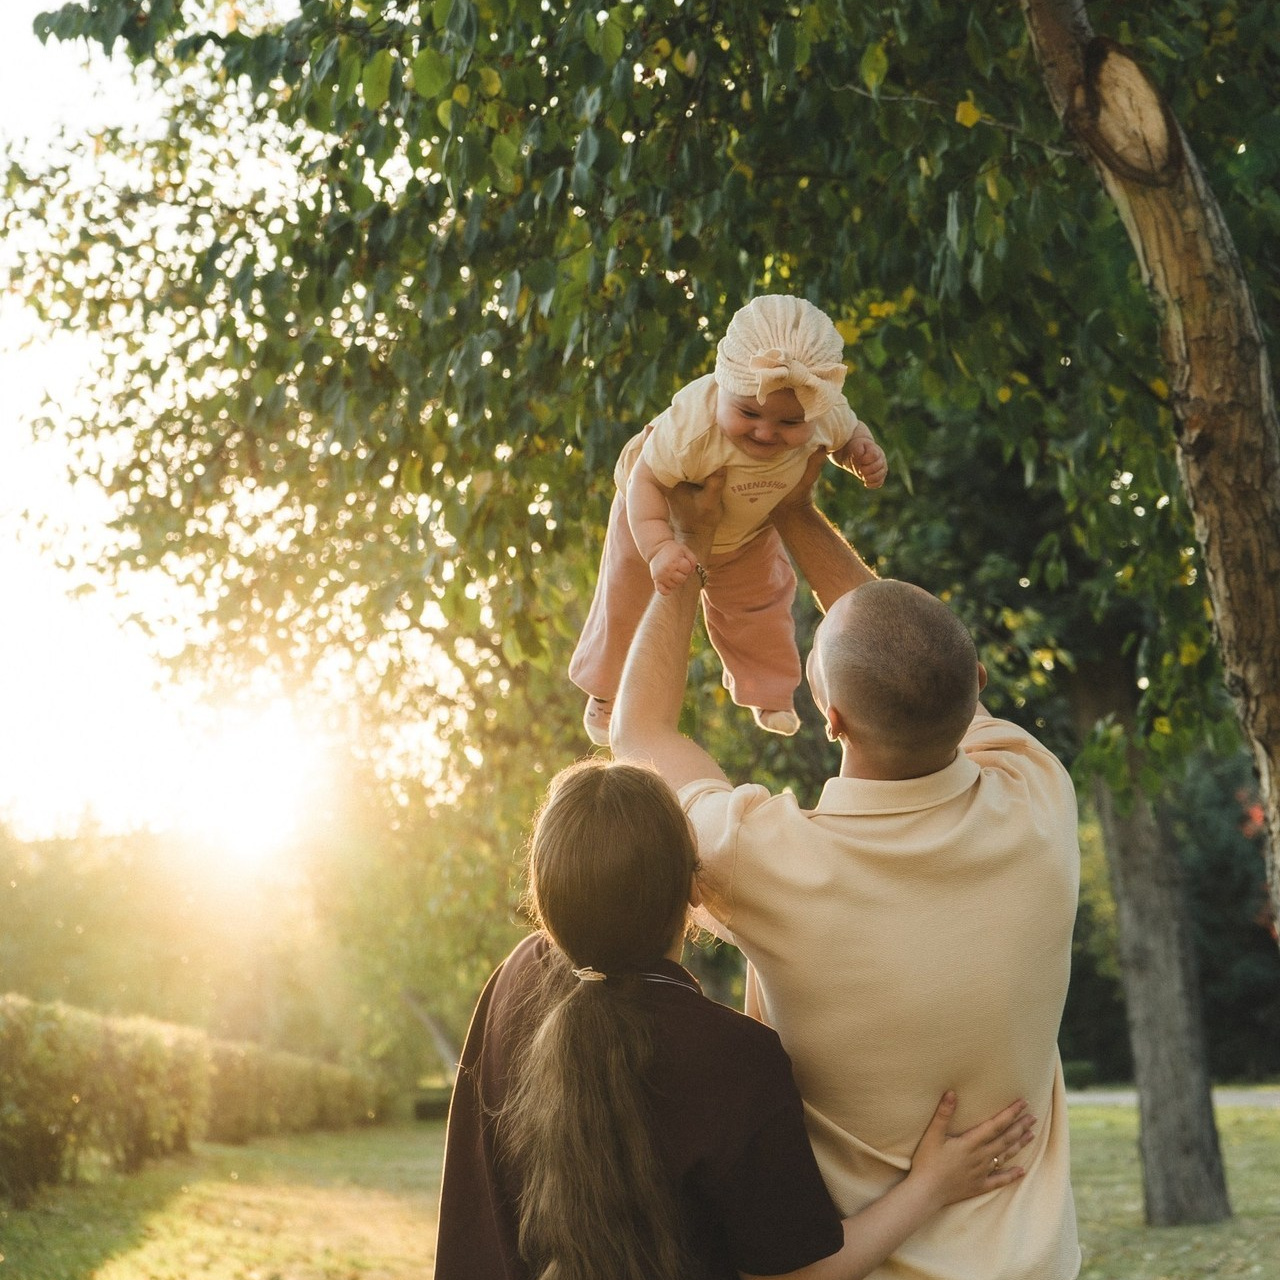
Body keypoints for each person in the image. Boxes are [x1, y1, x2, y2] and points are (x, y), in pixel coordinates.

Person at [610, 469, 1083, 1280]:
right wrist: (795, 512)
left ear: (829, 719)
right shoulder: (1040, 796)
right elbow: (910, 649)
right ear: (975, 690)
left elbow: (640, 731)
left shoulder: (764, 862)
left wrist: (686, 552)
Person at [434, 759, 1037, 1280]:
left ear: (546, 895)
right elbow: (797, 1275)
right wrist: (929, 1187)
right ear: (696, 888)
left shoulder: (515, 982)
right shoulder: (732, 1060)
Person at [569, 294, 888, 746]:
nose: (765, 432)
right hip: (653, 516)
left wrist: (860, 451)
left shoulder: (822, 414)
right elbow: (645, 482)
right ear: (722, 385)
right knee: (628, 603)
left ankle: (769, 691)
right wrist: (660, 546)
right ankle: (606, 691)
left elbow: (847, 431)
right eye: (748, 413)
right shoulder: (690, 428)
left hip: (751, 526)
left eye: (788, 423)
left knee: (762, 602)